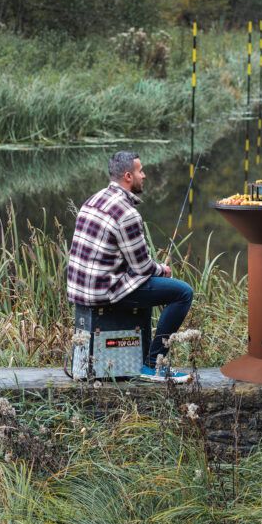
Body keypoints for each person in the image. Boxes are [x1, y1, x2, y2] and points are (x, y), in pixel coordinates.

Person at [67, 151, 194, 382]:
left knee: (150, 286)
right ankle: (153, 365)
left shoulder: (93, 200)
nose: (144, 175)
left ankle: (145, 359)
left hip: (81, 290)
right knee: (183, 293)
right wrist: (162, 270)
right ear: (128, 176)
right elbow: (143, 267)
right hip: (104, 292)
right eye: (140, 171)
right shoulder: (127, 213)